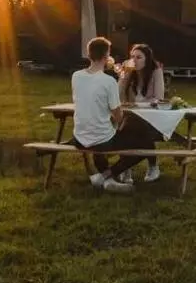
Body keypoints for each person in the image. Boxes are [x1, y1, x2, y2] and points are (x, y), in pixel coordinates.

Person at [71, 37, 152, 194]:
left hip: (79, 138)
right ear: (106, 56)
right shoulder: (108, 81)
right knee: (143, 144)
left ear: (89, 55)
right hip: (100, 140)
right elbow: (118, 115)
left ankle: (108, 181)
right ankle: (105, 176)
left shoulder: (76, 76)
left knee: (101, 130)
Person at [117, 43, 186, 183]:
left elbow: (158, 98)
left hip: (152, 118)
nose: (134, 60)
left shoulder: (156, 71)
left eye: (138, 57)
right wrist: (123, 75)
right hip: (131, 116)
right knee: (127, 128)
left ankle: (148, 167)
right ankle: (128, 168)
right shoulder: (129, 72)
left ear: (147, 59)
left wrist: (138, 105)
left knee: (135, 129)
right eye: (132, 57)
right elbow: (117, 95)